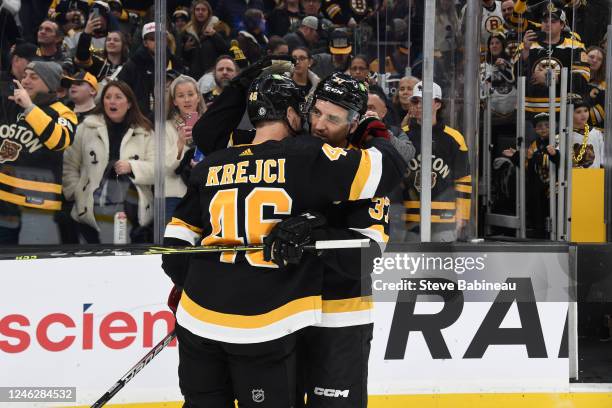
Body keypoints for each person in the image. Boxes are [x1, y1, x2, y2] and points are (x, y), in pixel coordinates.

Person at [162, 72, 406, 407]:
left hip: (337, 315)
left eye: (333, 118)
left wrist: (313, 234)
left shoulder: (357, 164)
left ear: (353, 124)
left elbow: (367, 252)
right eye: (316, 112)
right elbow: (212, 135)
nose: (319, 124)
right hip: (286, 313)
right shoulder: (298, 150)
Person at [62, 80, 154, 243]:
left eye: (118, 97)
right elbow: (69, 165)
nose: (112, 101)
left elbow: (158, 169)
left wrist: (132, 167)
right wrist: (77, 193)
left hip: (132, 210)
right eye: (108, 97)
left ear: (130, 103)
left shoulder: (145, 131)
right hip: (91, 211)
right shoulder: (86, 128)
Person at [0, 61, 77, 244]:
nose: (25, 80)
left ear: (50, 83)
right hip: (3, 201)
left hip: (37, 205)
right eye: (25, 75)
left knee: (32, 268)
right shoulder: (11, 105)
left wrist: (30, 108)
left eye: (33, 77)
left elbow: (59, 141)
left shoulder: (63, 112)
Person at [401, 81, 472, 242]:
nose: (418, 105)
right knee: (410, 266)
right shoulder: (402, 136)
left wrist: (462, 216)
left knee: (442, 265)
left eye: (423, 101)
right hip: (409, 219)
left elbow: (463, 181)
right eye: (415, 101)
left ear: (437, 104)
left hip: (444, 219)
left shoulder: (454, 138)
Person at [518, 6, 590, 116]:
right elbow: (515, 78)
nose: (548, 24)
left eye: (553, 21)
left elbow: (582, 80)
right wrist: (526, 52)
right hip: (529, 111)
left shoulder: (575, 46)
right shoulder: (526, 45)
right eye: (545, 21)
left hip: (563, 112)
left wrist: (551, 78)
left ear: (562, 25)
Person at [502, 112, 558, 238]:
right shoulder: (534, 144)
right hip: (538, 186)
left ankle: (552, 236)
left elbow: (556, 161)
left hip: (554, 185)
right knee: (537, 213)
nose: (543, 128)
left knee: (552, 214)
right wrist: (516, 155)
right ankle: (538, 235)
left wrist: (537, 157)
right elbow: (528, 164)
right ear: (535, 129)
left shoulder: (558, 140)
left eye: (547, 125)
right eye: (539, 126)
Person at [118, 22, 183, 118]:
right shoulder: (132, 65)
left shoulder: (176, 63)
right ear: (145, 43)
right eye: (153, 39)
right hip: (140, 119)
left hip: (171, 117)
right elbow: (122, 93)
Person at [164, 75, 206, 223]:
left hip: (204, 193)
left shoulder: (210, 124)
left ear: (198, 97)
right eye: (181, 96)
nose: (187, 100)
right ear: (174, 101)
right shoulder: (165, 127)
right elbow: (166, 167)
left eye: (190, 94)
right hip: (174, 197)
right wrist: (180, 143)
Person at [75, 14, 129, 84]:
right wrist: (86, 33)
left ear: (123, 45)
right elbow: (82, 57)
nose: (111, 42)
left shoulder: (128, 68)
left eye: (116, 40)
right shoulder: (97, 63)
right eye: (108, 40)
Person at [181, 0, 228, 81]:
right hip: (194, 76)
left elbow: (225, 50)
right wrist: (185, 49)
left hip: (213, 75)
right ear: (194, 12)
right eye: (197, 9)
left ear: (208, 12)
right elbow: (183, 59)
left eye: (203, 10)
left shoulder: (218, 28)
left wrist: (215, 35)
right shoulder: (186, 32)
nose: (200, 12)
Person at [569, 95, 604, 169]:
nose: (583, 114)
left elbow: (603, 159)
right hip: (573, 177)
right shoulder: (564, 134)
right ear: (569, 114)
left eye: (586, 110)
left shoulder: (597, 133)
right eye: (578, 112)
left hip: (595, 177)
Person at [585, 46, 606, 129]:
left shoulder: (605, 84)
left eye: (599, 59)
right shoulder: (574, 78)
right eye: (591, 57)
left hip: (595, 128)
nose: (594, 61)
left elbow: (604, 109)